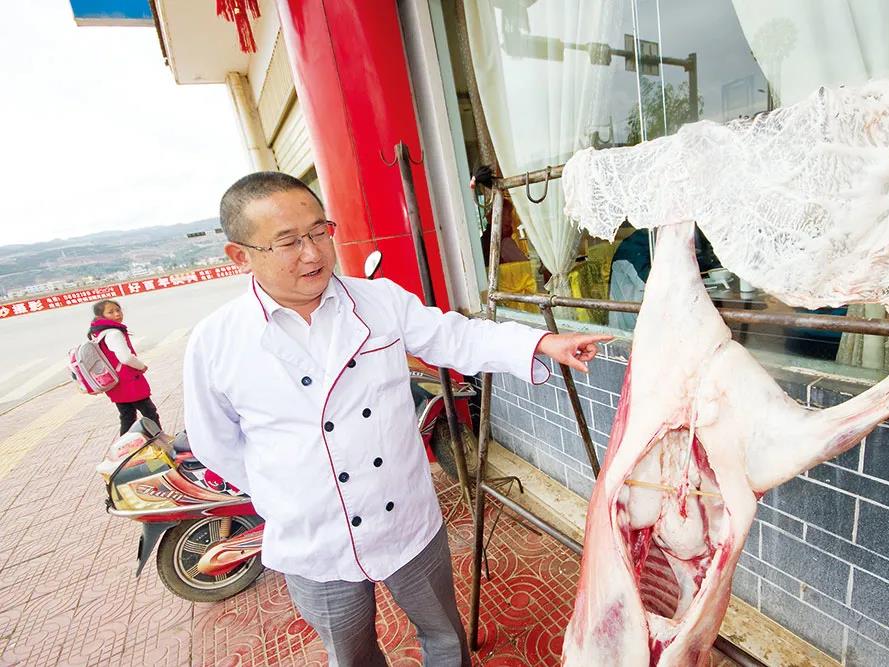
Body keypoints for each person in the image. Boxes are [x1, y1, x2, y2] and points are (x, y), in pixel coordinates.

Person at [183, 172, 612, 667]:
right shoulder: (216, 342)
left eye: (320, 231)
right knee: (352, 655)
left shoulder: (378, 300)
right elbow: (217, 445)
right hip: (315, 540)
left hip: (405, 519)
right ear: (240, 256)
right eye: (289, 242)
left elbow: (455, 337)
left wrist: (541, 341)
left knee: (444, 636)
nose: (313, 252)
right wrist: (293, 494)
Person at [88, 299, 161, 435]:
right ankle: (160, 440)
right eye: (110, 312)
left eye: (118, 310)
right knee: (150, 413)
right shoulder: (114, 333)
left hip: (116, 383)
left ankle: (125, 444)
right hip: (129, 381)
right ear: (101, 316)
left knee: (127, 416)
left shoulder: (98, 332)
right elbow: (125, 358)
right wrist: (141, 366)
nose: (117, 314)